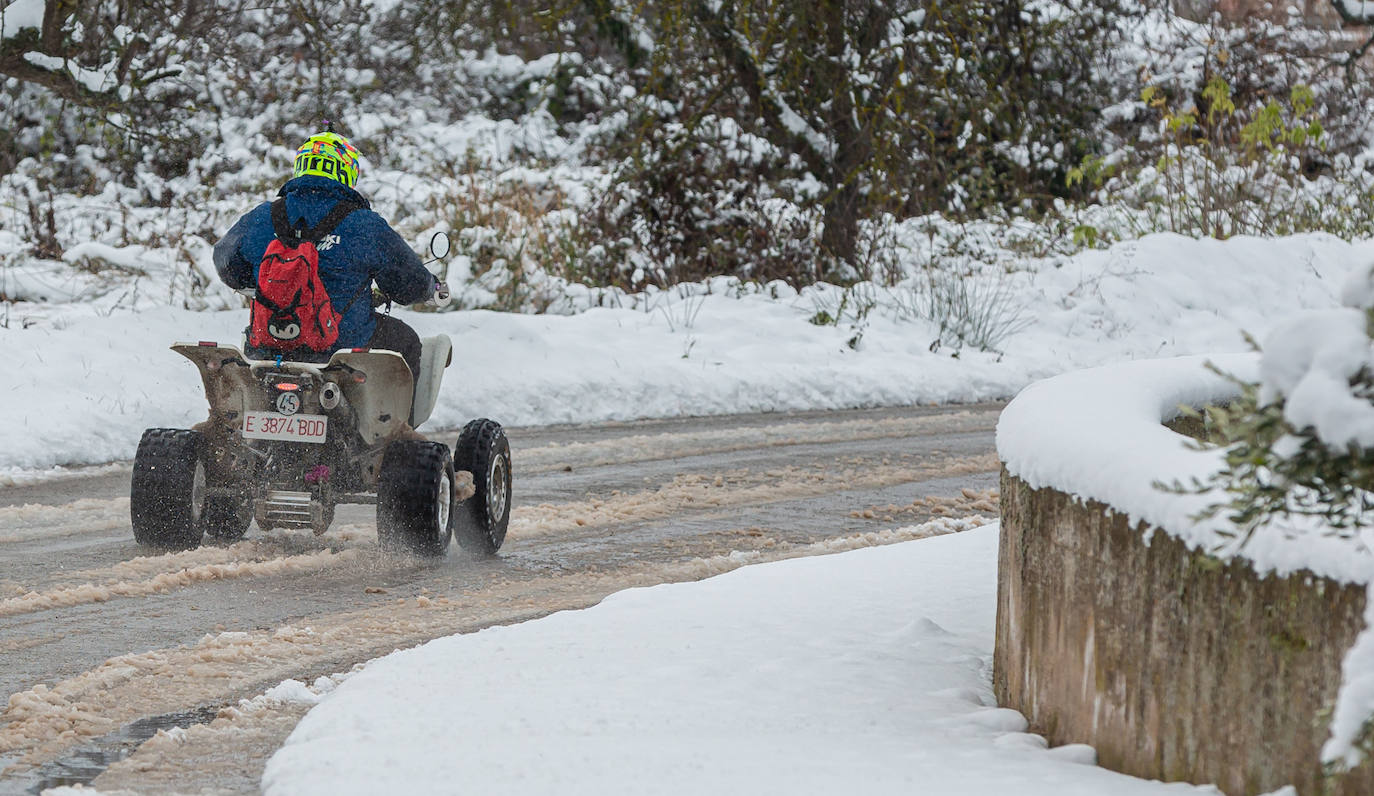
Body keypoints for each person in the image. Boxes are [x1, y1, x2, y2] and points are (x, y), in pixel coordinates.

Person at [213, 129, 438, 384]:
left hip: (268, 345)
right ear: (346, 171)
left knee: (251, 339)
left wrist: (264, 281)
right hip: (342, 348)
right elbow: (408, 283)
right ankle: (400, 424)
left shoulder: (262, 217)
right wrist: (430, 289)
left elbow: (226, 262)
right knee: (406, 340)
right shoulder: (364, 225)